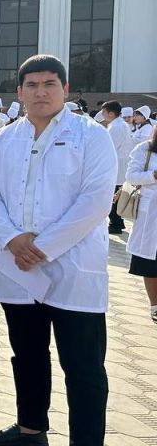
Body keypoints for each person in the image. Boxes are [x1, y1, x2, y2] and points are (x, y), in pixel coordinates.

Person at [0, 55, 117, 446]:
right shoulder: (4, 139)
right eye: (32, 85)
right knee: (27, 355)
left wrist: (40, 247)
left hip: (73, 270)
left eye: (50, 84)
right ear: (19, 92)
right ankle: (30, 430)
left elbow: (95, 200)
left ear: (65, 89)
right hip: (19, 269)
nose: (41, 92)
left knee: (83, 366)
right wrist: (11, 238)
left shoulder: (91, 136)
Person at [126, 127, 157, 324]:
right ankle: (155, 306)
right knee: (150, 264)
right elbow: (131, 176)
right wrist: (154, 175)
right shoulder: (144, 149)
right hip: (150, 219)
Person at [103, 100, 135, 234]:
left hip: (117, 164)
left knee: (114, 195)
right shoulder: (120, 124)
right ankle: (117, 222)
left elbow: (109, 148)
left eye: (104, 112)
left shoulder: (116, 127)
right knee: (117, 194)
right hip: (121, 164)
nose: (103, 115)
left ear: (110, 113)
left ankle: (115, 223)